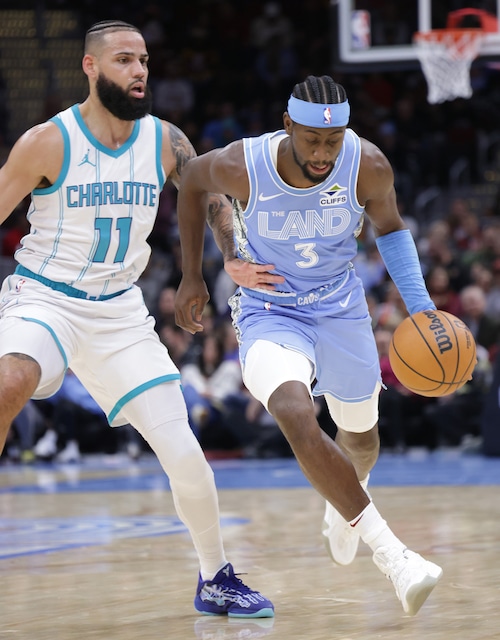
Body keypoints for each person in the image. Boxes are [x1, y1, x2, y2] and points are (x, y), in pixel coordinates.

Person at [0, 20, 273, 619]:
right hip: (45, 297)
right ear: (91, 69)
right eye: (124, 60)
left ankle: (215, 578)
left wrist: (231, 254)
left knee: (184, 452)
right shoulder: (47, 141)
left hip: (121, 312)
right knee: (10, 380)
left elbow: (206, 194)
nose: (140, 70)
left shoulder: (163, 140)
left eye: (144, 59)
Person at [175, 74, 443, 617]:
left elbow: (390, 230)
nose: (323, 153)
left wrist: (422, 309)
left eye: (334, 140)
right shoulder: (242, 163)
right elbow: (191, 181)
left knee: (361, 441)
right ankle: (395, 557)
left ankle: (342, 505)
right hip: (269, 307)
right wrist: (199, 271)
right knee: (296, 412)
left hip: (340, 308)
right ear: (288, 125)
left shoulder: (367, 164)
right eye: (312, 140)